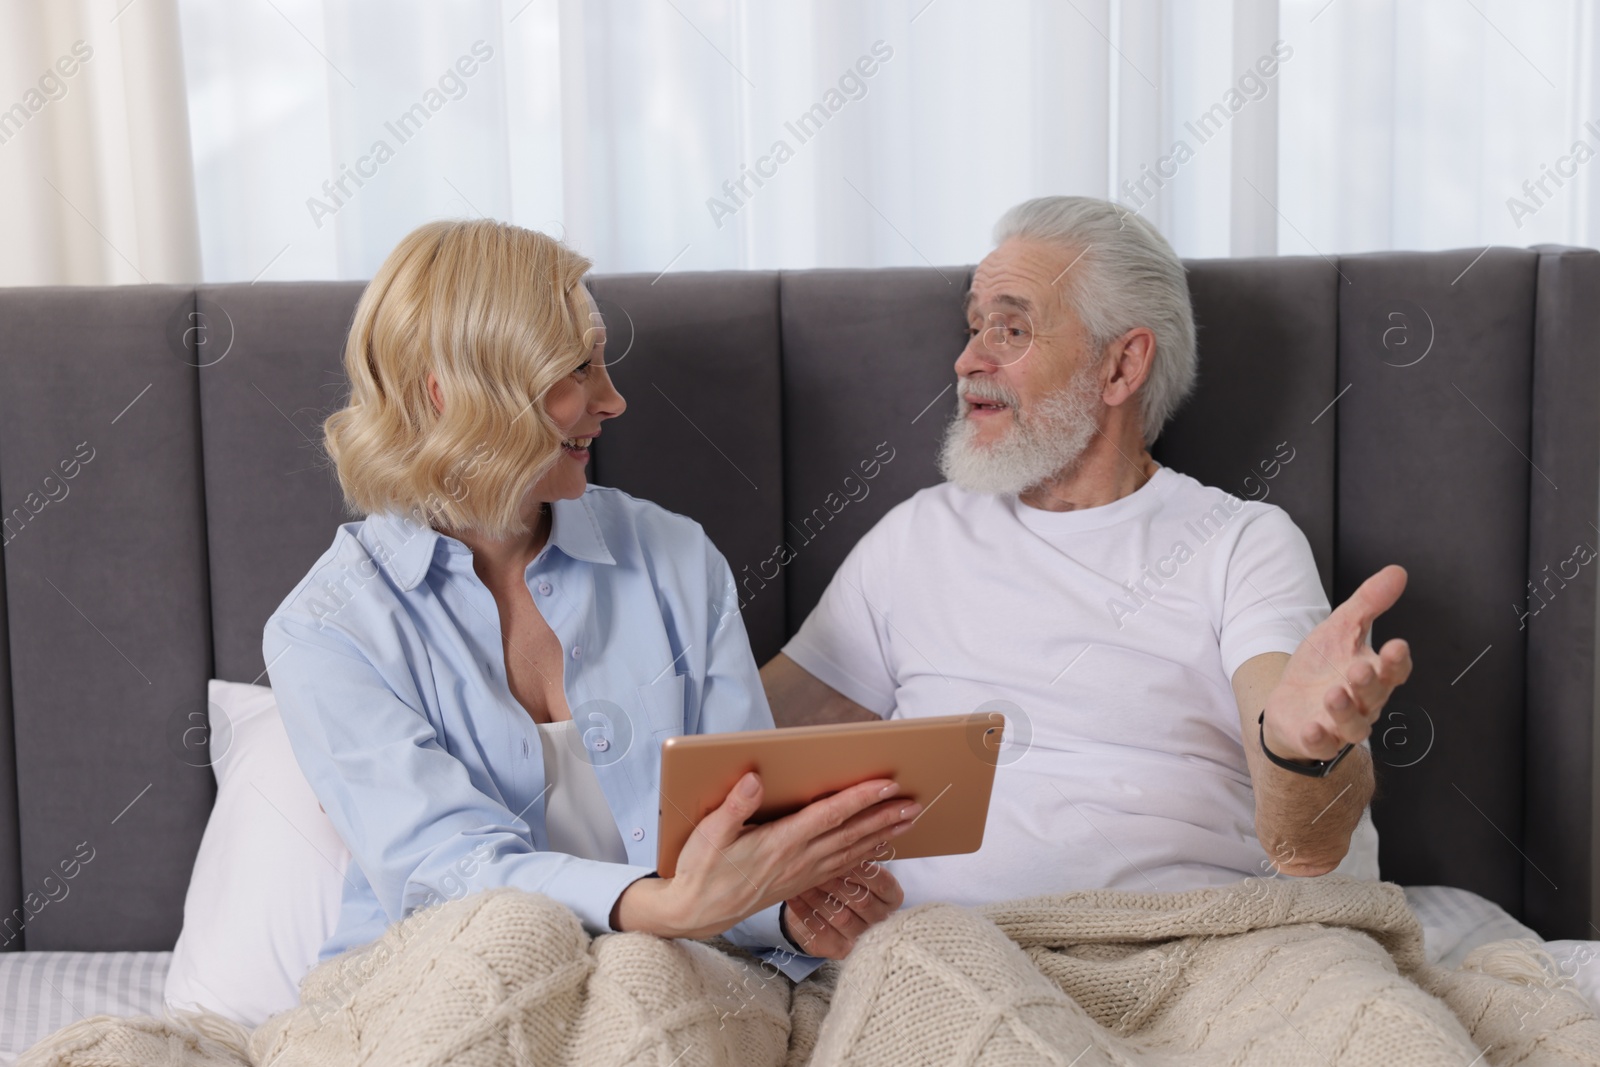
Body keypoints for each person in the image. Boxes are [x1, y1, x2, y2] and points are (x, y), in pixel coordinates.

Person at [262, 219, 912, 982]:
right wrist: (659, 907)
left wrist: (789, 912)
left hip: (660, 976)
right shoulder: (326, 627)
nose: (613, 400)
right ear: (452, 393)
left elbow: (739, 827)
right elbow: (445, 871)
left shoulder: (673, 557)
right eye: (577, 370)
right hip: (439, 982)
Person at [762, 195, 1414, 916]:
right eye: (975, 326)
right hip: (940, 955)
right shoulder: (916, 536)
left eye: (1011, 328)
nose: (967, 359)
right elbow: (744, 742)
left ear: (1121, 366)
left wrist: (1300, 748)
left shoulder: (1240, 544)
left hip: (1186, 947)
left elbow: (1306, 848)